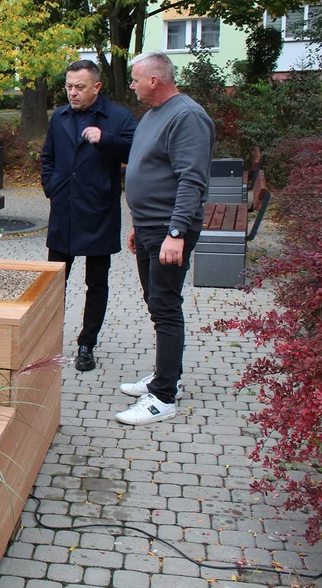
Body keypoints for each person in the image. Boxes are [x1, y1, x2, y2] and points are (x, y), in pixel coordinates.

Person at [117, 51, 214, 426]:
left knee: (166, 305)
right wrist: (140, 223)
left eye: (135, 79)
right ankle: (162, 376)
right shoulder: (155, 115)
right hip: (150, 227)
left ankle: (163, 397)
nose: (131, 85)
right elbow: (151, 171)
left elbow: (192, 179)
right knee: (155, 303)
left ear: (154, 80)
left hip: (169, 230)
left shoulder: (187, 116)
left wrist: (175, 232)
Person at [41, 59, 137, 372]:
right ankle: (47, 340)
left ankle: (86, 344)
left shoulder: (119, 116)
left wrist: (106, 139)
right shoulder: (60, 116)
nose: (72, 92)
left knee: (96, 283)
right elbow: (48, 157)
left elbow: (137, 152)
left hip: (99, 211)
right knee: (55, 282)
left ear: (96, 87)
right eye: (68, 86)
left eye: (79, 87)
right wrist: (51, 186)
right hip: (64, 209)